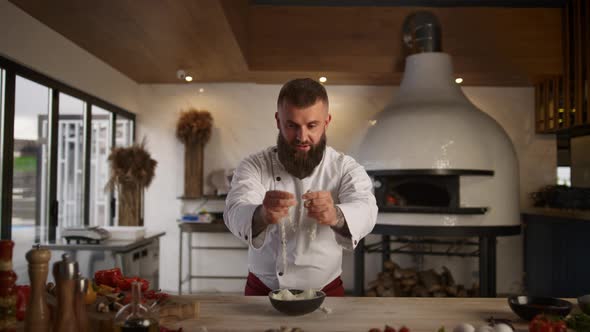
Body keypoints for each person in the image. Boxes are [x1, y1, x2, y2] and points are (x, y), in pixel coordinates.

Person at [224, 78, 377, 296]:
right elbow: (234, 210)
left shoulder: (345, 168)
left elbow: (367, 209)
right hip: (263, 291)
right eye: (292, 125)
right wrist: (261, 214)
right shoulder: (254, 165)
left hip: (326, 291)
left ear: (327, 122)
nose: (302, 137)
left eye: (312, 125)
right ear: (278, 121)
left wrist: (337, 216)